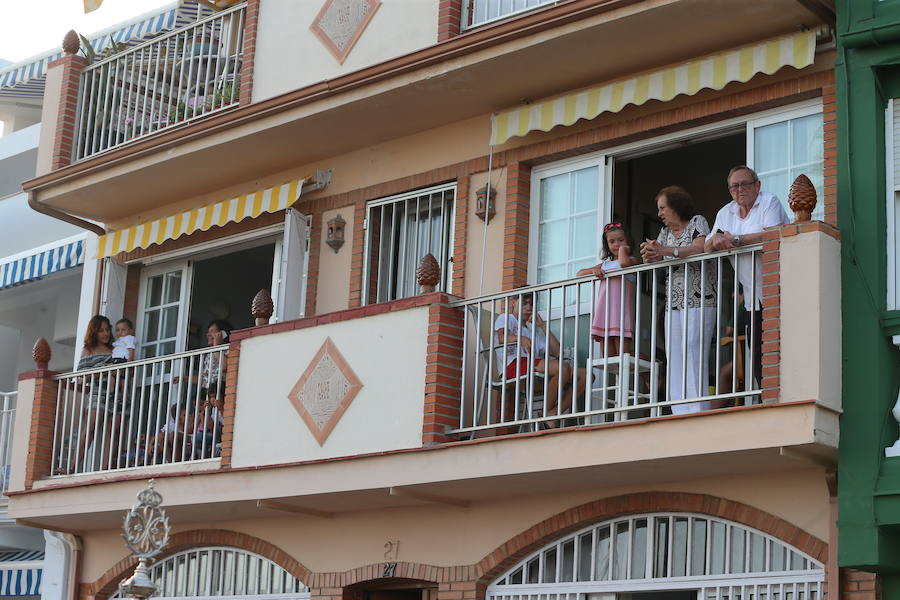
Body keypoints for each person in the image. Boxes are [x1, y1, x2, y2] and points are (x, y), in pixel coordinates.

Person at [704, 166, 789, 387]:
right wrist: (716, 241)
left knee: (782, 347)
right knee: (759, 350)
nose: (739, 189)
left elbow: (772, 234)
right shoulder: (725, 213)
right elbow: (707, 246)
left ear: (757, 185)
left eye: (745, 184)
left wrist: (737, 240)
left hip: (781, 286)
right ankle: (765, 397)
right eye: (734, 186)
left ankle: (781, 397)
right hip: (752, 295)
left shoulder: (769, 201)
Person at [640, 186, 717, 414]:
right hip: (674, 301)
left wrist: (666, 250)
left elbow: (700, 247)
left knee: (693, 350)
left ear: (676, 205)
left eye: (663, 207)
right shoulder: (664, 234)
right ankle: (678, 409)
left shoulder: (697, 222)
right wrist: (649, 255)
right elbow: (660, 257)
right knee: (674, 353)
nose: (660, 213)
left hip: (699, 298)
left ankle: (697, 408)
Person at [493, 293, 585, 427]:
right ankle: (545, 415)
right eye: (524, 303)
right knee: (563, 367)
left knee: (585, 375)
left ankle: (552, 413)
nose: (528, 307)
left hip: (533, 369)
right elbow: (501, 338)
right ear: (513, 302)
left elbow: (558, 352)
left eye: (531, 304)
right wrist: (520, 339)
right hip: (513, 366)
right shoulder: (506, 318)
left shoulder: (533, 331)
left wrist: (542, 326)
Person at [577, 223, 638, 356]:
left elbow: (623, 264)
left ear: (628, 241)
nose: (616, 244)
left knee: (623, 355)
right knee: (607, 357)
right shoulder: (605, 264)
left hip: (620, 312)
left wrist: (623, 250)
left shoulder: (632, 260)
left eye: (621, 240)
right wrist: (594, 270)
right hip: (604, 312)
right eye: (612, 241)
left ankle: (653, 364)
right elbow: (579, 273)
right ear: (607, 245)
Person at [71, 315, 117, 472]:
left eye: (107, 330)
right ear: (94, 332)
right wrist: (101, 372)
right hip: (98, 393)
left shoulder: (115, 349)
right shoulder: (88, 350)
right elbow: (81, 376)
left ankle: (107, 469)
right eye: (101, 331)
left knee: (112, 431)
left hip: (116, 395)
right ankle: (74, 466)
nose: (105, 334)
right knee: (90, 425)